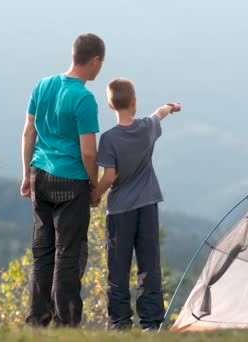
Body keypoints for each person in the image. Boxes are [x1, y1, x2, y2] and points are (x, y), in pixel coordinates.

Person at [20, 33, 105, 327]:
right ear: (94, 60)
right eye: (100, 64)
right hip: (71, 182)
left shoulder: (43, 85)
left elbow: (29, 132)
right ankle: (66, 322)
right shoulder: (83, 98)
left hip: (40, 175)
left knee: (42, 253)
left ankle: (36, 321)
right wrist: (94, 186)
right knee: (67, 255)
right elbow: (88, 153)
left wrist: (25, 174)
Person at [95, 78, 182, 330]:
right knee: (149, 265)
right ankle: (151, 323)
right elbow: (159, 113)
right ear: (134, 102)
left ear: (110, 104)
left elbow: (109, 176)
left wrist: (95, 195)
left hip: (120, 211)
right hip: (147, 205)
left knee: (118, 268)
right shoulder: (146, 128)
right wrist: (171, 107)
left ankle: (120, 322)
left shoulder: (109, 139)